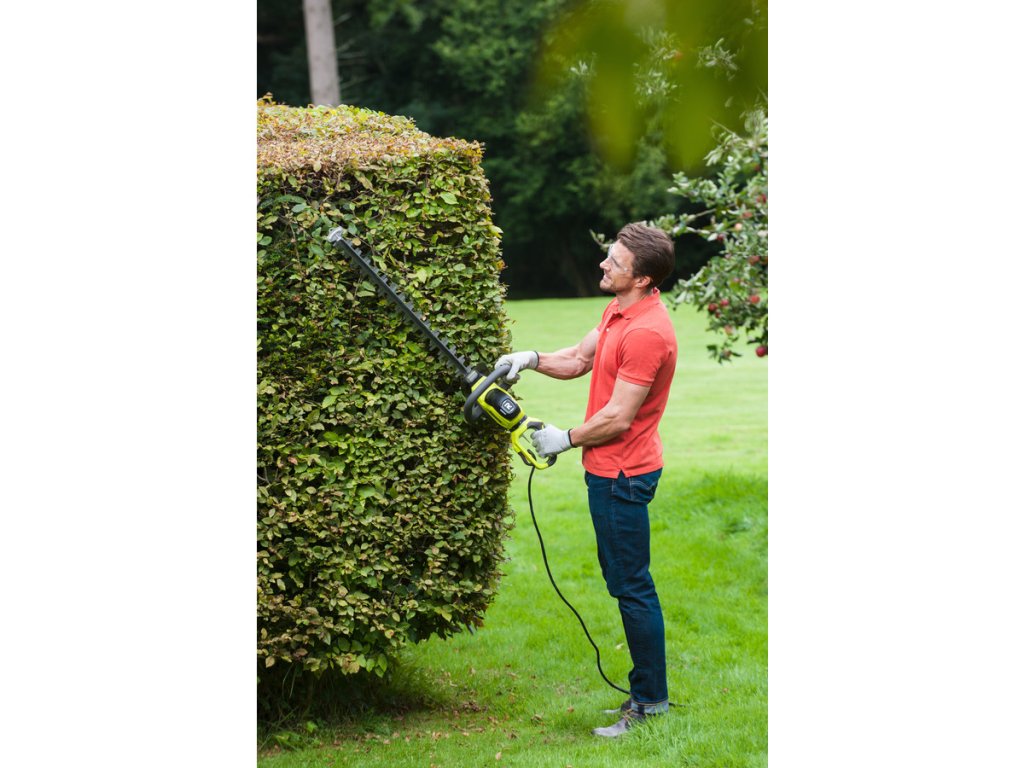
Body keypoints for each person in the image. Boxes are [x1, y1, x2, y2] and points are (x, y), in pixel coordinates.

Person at [496, 222, 678, 738]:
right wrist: (530, 359)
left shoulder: (647, 332)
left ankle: (650, 702)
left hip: (623, 474)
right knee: (625, 581)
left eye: (615, 262)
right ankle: (647, 693)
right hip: (609, 470)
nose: (604, 264)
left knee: (632, 587)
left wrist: (565, 438)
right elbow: (579, 359)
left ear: (642, 278)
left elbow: (618, 417)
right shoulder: (620, 311)